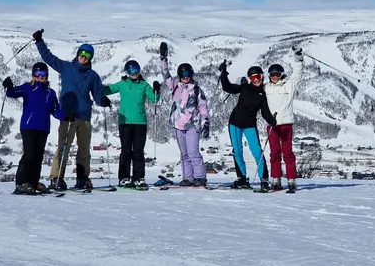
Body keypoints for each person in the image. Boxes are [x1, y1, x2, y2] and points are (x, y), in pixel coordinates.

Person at [32, 29, 110, 191]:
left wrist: (102, 100)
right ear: (77, 53)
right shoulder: (66, 67)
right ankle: (56, 178)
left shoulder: (93, 76)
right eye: (82, 53)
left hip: (84, 116)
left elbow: (97, 95)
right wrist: (39, 41)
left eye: (87, 55)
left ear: (90, 58)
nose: (84, 56)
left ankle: (82, 178)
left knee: (83, 150)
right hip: (68, 115)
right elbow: (48, 57)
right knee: (63, 147)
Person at [3, 63, 68, 195]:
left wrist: (66, 116)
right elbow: (12, 93)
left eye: (43, 75)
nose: (40, 77)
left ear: (47, 76)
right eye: (37, 75)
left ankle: (33, 182)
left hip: (43, 128)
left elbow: (55, 111)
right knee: (30, 155)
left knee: (38, 157)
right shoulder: (28, 88)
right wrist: (8, 86)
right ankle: (22, 183)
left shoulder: (51, 93)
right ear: (33, 75)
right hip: (29, 126)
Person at [158, 42, 211, 187]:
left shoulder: (196, 90)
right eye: (182, 74)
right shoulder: (174, 85)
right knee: (184, 154)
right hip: (177, 124)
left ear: (191, 75)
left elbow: (203, 107)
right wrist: (163, 58)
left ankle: (200, 177)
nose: (185, 77)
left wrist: (205, 123)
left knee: (193, 152)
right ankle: (189, 177)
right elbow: (165, 74)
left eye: (187, 74)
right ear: (179, 75)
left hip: (192, 125)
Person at [218, 61, 277, 190]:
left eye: (258, 77)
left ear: (262, 77)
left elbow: (265, 112)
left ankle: (264, 179)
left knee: (257, 151)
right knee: (237, 151)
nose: (256, 80)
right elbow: (228, 87)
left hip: (250, 125)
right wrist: (223, 73)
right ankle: (242, 179)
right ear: (250, 79)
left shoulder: (262, 94)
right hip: (235, 123)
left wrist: (271, 120)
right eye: (253, 78)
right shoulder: (244, 88)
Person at [102, 60, 160, 188]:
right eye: (131, 71)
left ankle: (138, 177)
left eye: (136, 70)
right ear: (127, 73)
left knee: (138, 151)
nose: (134, 73)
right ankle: (124, 177)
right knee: (126, 150)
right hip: (125, 122)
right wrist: (95, 85)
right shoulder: (122, 84)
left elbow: (154, 99)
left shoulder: (144, 85)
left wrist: (157, 89)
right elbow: (107, 90)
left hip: (140, 122)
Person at [264, 46, 305, 192]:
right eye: (272, 75)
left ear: (281, 75)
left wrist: (298, 59)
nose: (275, 77)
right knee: (274, 153)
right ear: (269, 76)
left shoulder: (289, 85)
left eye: (278, 75)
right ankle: (276, 179)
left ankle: (292, 180)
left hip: (286, 123)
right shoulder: (266, 88)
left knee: (287, 153)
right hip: (272, 125)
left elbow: (298, 74)